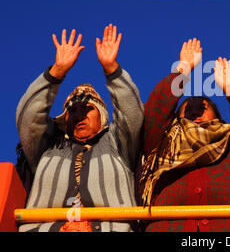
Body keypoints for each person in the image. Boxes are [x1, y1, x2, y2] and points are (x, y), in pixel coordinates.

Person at [16, 24, 144, 232]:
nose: (79, 115)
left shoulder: (116, 144)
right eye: (72, 111)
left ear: (102, 116)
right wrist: (57, 72)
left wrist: (111, 69)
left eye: (87, 109)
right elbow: (28, 118)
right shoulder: (50, 146)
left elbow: (132, 114)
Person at [138, 38, 230, 232]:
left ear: (218, 117)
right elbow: (155, 112)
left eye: (202, 109)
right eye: (188, 110)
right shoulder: (163, 144)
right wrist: (182, 69)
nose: (195, 113)